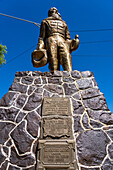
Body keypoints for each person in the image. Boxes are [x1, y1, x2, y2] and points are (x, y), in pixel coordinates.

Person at [33, 7, 79, 72]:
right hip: (50, 40)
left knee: (66, 57)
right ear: (50, 13)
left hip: (62, 41)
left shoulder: (64, 23)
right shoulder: (45, 21)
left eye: (55, 11)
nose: (54, 12)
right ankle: (54, 76)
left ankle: (70, 75)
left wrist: (73, 42)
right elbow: (42, 37)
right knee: (53, 59)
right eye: (52, 11)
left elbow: (68, 38)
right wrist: (39, 48)